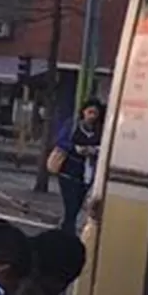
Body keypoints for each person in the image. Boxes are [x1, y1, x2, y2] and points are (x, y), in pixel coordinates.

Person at [53, 98, 104, 233]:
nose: (92, 116)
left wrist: (95, 150)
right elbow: (60, 141)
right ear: (83, 112)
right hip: (68, 171)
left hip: (87, 173)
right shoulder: (73, 124)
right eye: (89, 112)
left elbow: (105, 146)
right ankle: (67, 233)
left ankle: (65, 231)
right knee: (71, 205)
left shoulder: (101, 130)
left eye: (95, 113)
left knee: (76, 206)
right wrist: (75, 148)